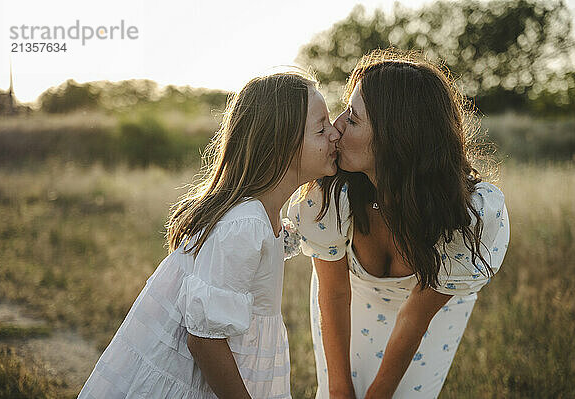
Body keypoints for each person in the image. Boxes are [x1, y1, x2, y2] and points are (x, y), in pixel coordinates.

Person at [78, 71, 340, 398]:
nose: (335, 134)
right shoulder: (245, 224)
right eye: (321, 128)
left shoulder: (264, 216)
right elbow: (204, 340)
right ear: (280, 146)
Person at [287, 49, 510, 398]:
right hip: (348, 302)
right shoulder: (331, 194)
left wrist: (379, 393)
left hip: (431, 319)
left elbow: (415, 319)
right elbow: (332, 292)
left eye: (354, 119)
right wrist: (339, 388)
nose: (337, 127)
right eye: (345, 111)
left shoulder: (465, 215)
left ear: (396, 139)